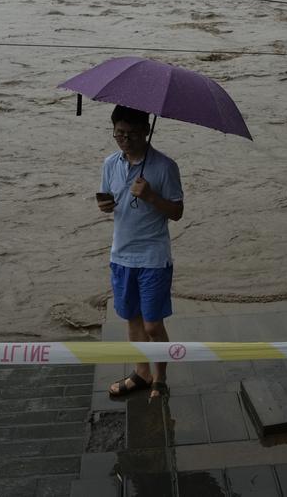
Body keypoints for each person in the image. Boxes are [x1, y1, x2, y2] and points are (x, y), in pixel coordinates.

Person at [97, 105, 183, 401]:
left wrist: (150, 196)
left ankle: (160, 378)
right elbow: (108, 199)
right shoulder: (110, 163)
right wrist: (104, 205)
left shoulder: (165, 166)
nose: (125, 139)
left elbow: (177, 212)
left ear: (146, 130)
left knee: (152, 324)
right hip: (120, 255)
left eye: (132, 134)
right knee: (132, 319)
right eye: (119, 133)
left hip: (153, 257)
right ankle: (141, 373)